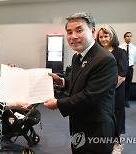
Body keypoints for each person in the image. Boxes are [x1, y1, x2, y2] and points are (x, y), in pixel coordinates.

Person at [44, 12, 118, 154]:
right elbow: (80, 81)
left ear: (92, 31)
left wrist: (58, 104)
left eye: (79, 30)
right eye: (69, 32)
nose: (73, 36)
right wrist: (63, 82)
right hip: (79, 125)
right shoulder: (77, 56)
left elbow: (90, 96)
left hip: (97, 130)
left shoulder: (104, 59)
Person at [96, 25, 128, 153]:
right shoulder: (97, 53)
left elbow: (121, 76)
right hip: (99, 93)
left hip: (115, 92)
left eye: (106, 36)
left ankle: (117, 144)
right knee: (103, 118)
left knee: (116, 116)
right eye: (101, 37)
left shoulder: (120, 53)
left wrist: (106, 90)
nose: (103, 39)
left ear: (112, 36)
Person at [120, 32, 136, 108]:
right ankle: (120, 100)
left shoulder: (134, 48)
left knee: (128, 85)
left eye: (130, 36)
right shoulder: (120, 47)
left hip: (130, 68)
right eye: (127, 36)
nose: (129, 37)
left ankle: (126, 100)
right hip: (122, 67)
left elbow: (134, 60)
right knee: (121, 84)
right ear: (124, 37)